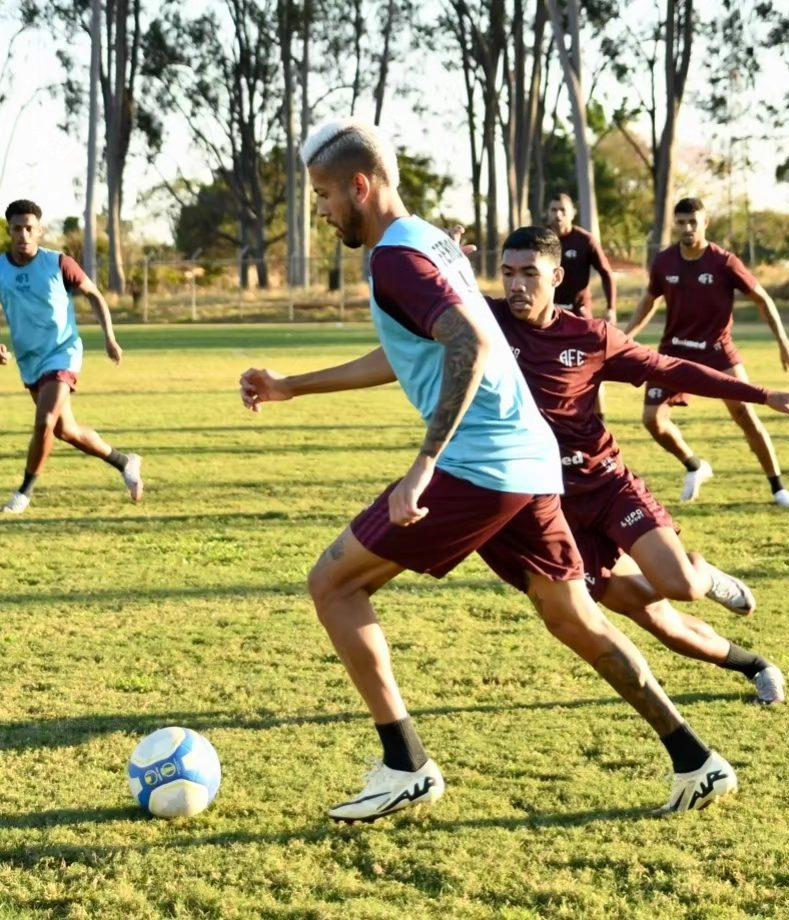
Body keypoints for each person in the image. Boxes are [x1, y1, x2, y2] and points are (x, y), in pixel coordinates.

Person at [240, 118, 738, 824]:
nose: (320, 212)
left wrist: (423, 465)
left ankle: (404, 765)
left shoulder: (395, 260)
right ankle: (695, 759)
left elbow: (469, 343)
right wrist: (295, 385)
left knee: (332, 583)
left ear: (361, 184)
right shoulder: (427, 243)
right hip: (528, 459)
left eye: (324, 195)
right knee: (573, 617)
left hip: (480, 465)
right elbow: (419, 348)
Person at [482, 226, 789, 704]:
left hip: (606, 486)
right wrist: (445, 255)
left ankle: (703, 573)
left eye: (529, 274)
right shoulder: (485, 320)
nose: (516, 285)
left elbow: (672, 369)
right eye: (507, 273)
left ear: (557, 276)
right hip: (550, 509)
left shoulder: (591, 336)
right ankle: (757, 666)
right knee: (656, 617)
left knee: (681, 585)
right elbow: (413, 299)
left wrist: (763, 394)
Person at [625, 197, 789, 509]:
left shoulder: (724, 262)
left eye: (693, 222)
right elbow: (648, 301)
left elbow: (762, 299)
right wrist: (626, 336)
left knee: (745, 414)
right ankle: (695, 466)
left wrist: (784, 342)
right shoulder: (664, 262)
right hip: (674, 351)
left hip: (717, 351)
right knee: (652, 419)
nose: (687, 228)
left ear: (705, 223)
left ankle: (778, 489)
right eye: (681, 222)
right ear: (674, 224)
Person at [0, 199, 142, 514]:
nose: (23, 234)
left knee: (45, 422)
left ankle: (23, 493)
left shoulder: (59, 263)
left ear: (39, 231)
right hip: (30, 360)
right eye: (16, 229)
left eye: (28, 228)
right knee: (65, 430)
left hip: (62, 354)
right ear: (9, 231)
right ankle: (125, 462)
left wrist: (109, 337)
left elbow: (94, 294)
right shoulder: (1, 269)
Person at [546, 193, 617, 322]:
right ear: (548, 212)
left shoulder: (585, 240)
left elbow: (606, 273)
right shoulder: (540, 241)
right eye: (554, 210)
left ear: (573, 213)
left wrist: (611, 309)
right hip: (548, 311)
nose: (558, 215)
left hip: (578, 311)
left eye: (563, 210)